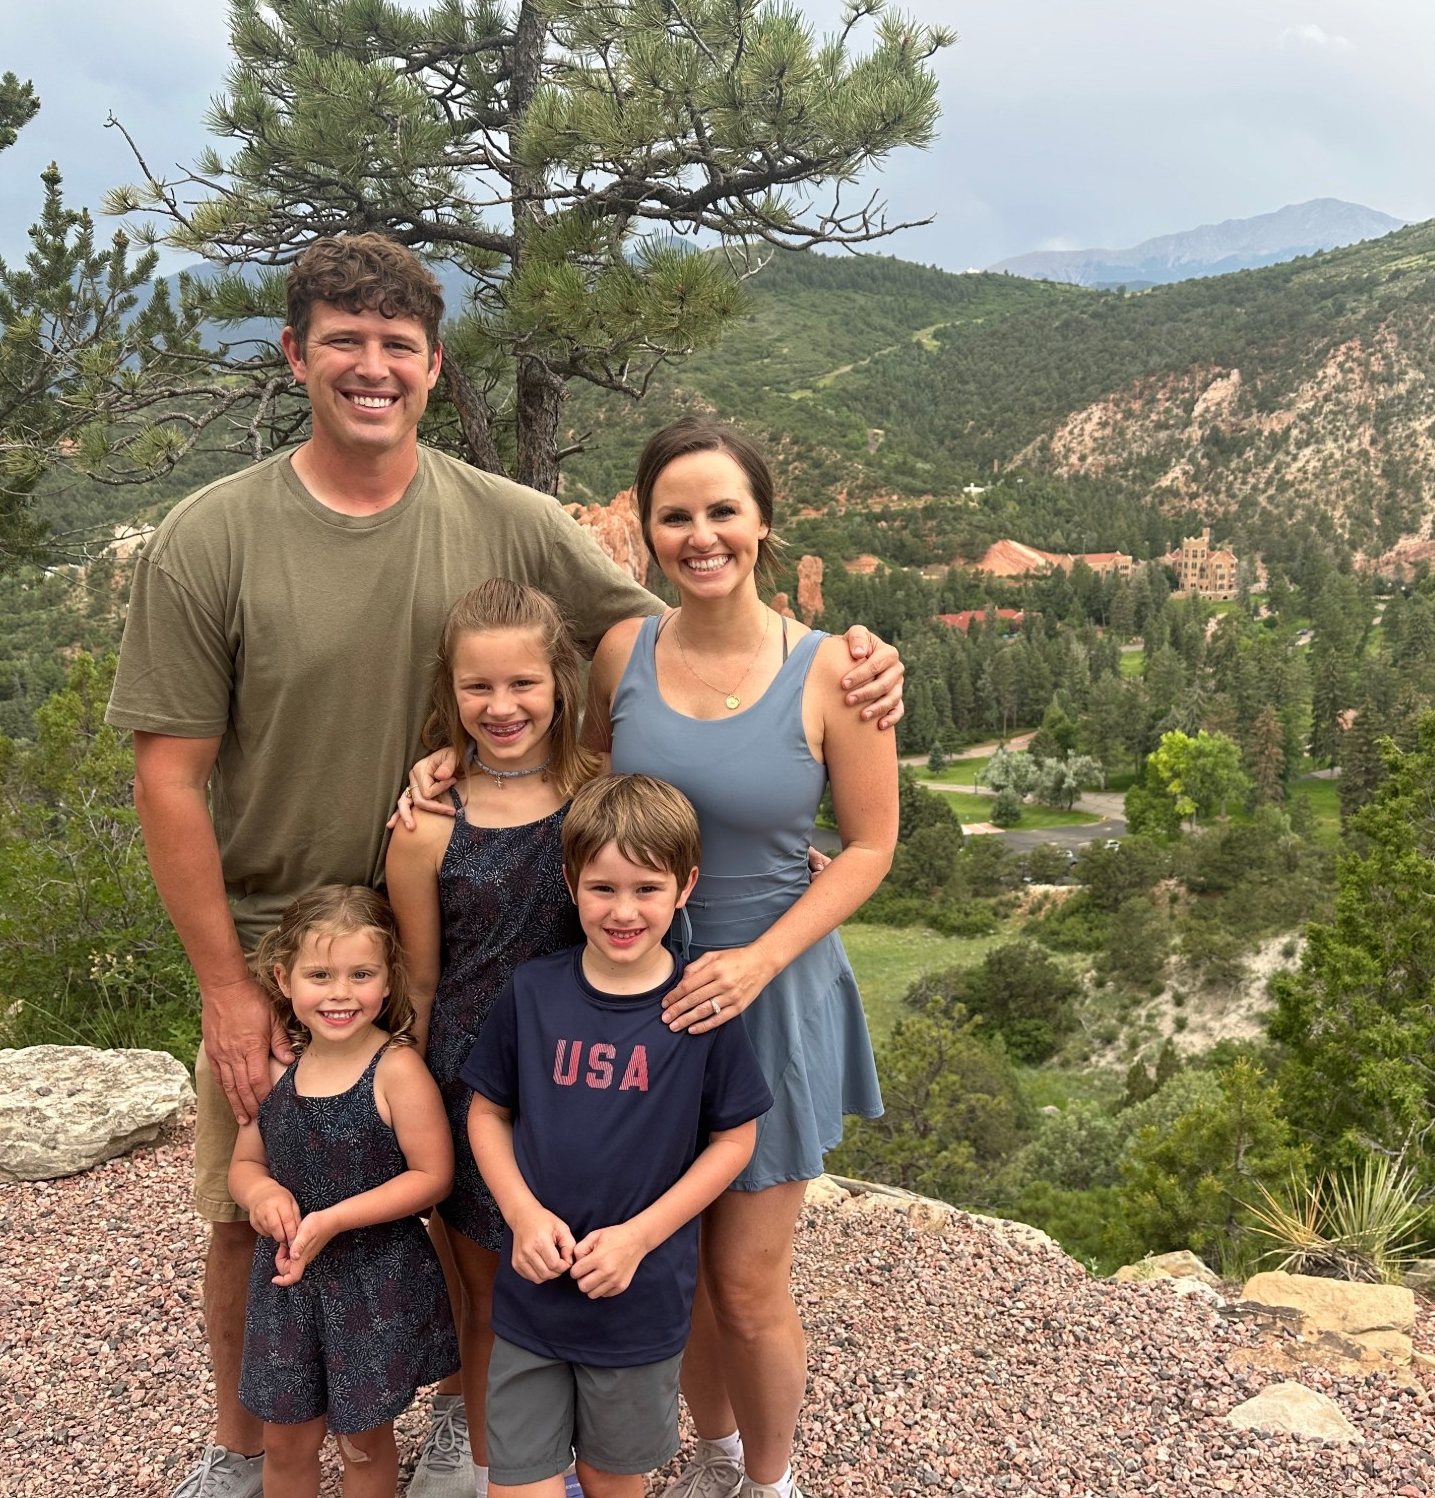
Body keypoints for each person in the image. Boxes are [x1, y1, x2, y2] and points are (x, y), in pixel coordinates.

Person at [106, 232, 905, 1498]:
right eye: (344, 343)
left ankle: (478, 1441)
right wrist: (222, 984)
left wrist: (841, 660)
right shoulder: (216, 538)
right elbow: (168, 777)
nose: (372, 369)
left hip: (485, 928)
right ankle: (244, 1447)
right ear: (294, 352)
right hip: (291, 939)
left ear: (432, 363)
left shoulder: (501, 515)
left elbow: (669, 634)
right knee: (251, 1206)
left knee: (474, 1210)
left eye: (398, 347)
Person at [592, 419, 898, 1498]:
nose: (700, 534)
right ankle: (714, 1453)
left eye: (722, 510)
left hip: (767, 991)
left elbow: (869, 846)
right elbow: (583, 798)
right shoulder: (622, 652)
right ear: (645, 530)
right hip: (637, 994)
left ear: (763, 525)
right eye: (675, 514)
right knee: (673, 1270)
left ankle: (770, 1485)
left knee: (746, 1279)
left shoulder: (834, 674)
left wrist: (759, 959)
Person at [461, 775, 774, 1498]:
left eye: (646, 889)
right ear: (571, 883)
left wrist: (639, 1237)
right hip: (532, 1298)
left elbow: (734, 1141)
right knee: (517, 1486)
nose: (624, 910)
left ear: (684, 886)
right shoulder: (533, 992)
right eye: (603, 888)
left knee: (611, 1478)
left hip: (638, 1306)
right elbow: (486, 1113)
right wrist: (520, 1213)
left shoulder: (702, 1006)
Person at [387, 579, 601, 1496]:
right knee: (485, 1295)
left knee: (591, 1273)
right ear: (451, 689)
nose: (502, 707)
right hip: (473, 1085)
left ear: (559, 681)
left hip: (592, 1082)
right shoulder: (427, 824)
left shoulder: (600, 798)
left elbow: (664, 888)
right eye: (479, 688)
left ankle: (596, 1459)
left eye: (523, 684)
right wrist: (414, 1104)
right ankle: (488, 1462)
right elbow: (423, 981)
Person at [229, 886, 459, 1498]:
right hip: (288, 1284)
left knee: (362, 1441)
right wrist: (259, 1196)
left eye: (361, 974)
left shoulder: (396, 1068)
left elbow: (432, 1175)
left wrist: (334, 1219)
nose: (339, 992)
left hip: (372, 1280)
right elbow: (246, 1163)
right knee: (286, 1440)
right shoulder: (275, 1070)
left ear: (388, 982)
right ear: (284, 978)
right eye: (320, 974)